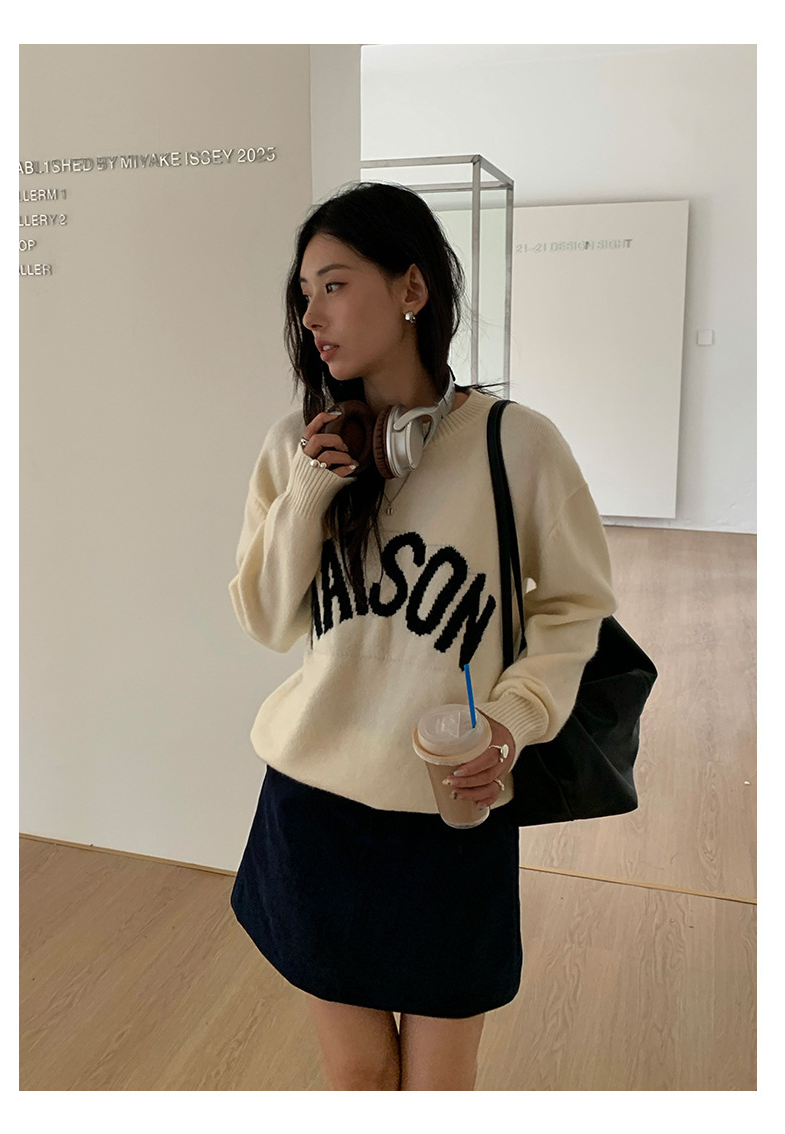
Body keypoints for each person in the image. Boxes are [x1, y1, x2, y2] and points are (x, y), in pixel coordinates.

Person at [228, 182, 616, 1091]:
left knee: (440, 1083)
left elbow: (574, 607)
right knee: (359, 1075)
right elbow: (265, 618)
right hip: (315, 807)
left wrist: (513, 720)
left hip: (453, 809)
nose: (311, 315)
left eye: (334, 284)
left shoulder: (517, 445)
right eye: (304, 293)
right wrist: (311, 491)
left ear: (412, 288)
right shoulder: (296, 443)